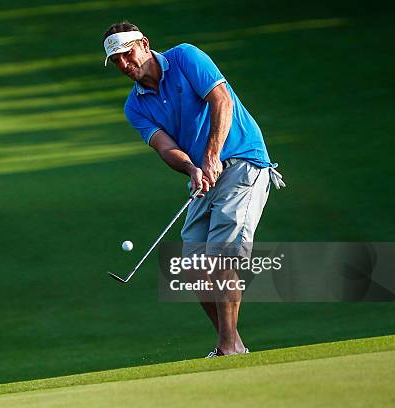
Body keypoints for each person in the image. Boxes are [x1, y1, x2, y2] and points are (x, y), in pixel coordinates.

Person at [102, 22, 285, 357]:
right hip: (204, 176)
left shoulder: (186, 57)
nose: (124, 64)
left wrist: (212, 153)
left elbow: (222, 101)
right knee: (194, 266)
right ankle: (234, 345)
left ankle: (226, 346)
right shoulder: (135, 106)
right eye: (116, 61)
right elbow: (165, 147)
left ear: (144, 44)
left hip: (243, 162)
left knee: (221, 257)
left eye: (127, 54)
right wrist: (192, 168)